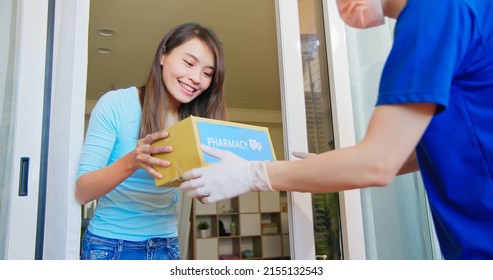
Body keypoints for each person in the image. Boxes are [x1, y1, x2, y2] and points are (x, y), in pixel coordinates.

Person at [179, 0, 493, 260]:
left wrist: (253, 174)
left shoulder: (433, 13)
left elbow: (378, 162)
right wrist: (326, 166)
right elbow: (417, 148)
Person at [76, 22, 226, 260]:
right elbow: (82, 192)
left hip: (166, 245)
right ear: (163, 55)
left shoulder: (195, 122)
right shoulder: (116, 104)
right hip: (109, 246)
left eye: (207, 73)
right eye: (188, 63)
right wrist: (132, 161)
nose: (196, 79)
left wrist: (215, 183)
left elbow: (203, 197)